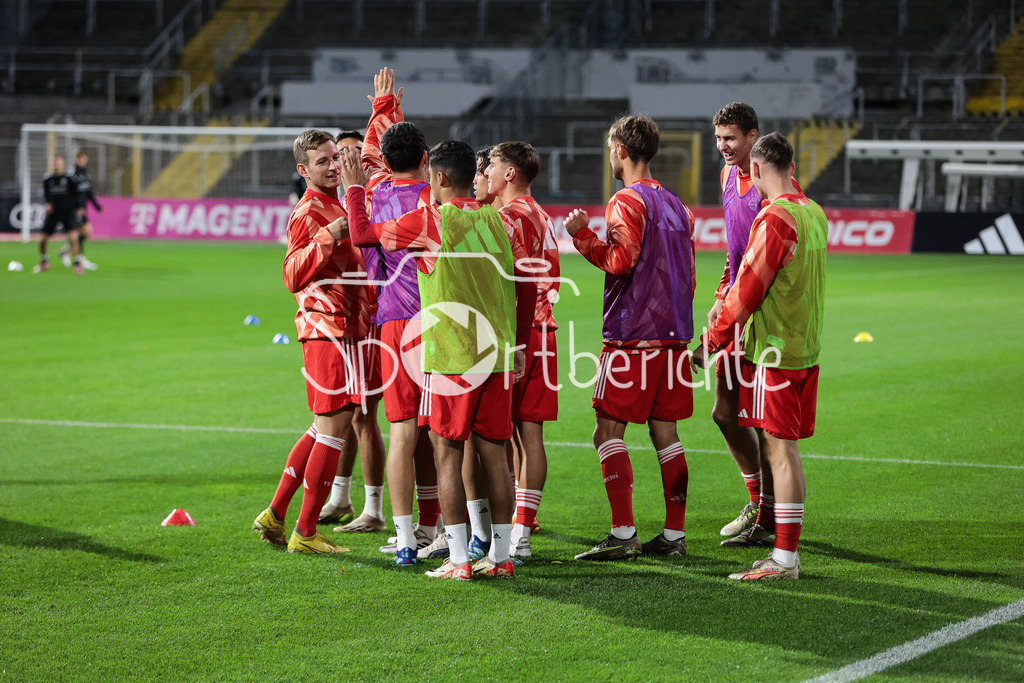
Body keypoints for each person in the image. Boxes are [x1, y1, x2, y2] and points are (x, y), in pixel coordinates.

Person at [343, 140, 537, 580]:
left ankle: (459, 560)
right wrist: (521, 344)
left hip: (451, 357)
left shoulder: (431, 220)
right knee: (495, 455)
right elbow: (527, 285)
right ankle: (501, 558)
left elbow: (363, 235)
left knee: (447, 452)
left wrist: (354, 188)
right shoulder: (500, 220)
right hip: (497, 354)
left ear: (440, 177)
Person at [692, 132, 827, 581]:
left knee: (779, 452)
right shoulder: (814, 212)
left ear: (755, 168)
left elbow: (746, 292)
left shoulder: (774, 219)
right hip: (805, 347)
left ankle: (784, 559)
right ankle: (782, 548)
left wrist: (709, 342)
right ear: (792, 168)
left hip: (775, 351)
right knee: (783, 449)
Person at [564, 114, 695, 561]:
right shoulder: (678, 205)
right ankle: (674, 535)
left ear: (620, 150)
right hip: (674, 336)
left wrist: (581, 235)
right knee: (667, 435)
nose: (609, 156)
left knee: (607, 432)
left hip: (632, 336)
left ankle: (623, 535)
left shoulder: (626, 200)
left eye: (610, 148)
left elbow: (620, 260)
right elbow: (689, 274)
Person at [337, 67, 441, 563]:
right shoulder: (435, 200)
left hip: (391, 322)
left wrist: (382, 111)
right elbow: (385, 151)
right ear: (426, 159)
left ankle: (404, 539)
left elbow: (372, 159)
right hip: (438, 321)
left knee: (402, 431)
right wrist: (388, 110)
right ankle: (442, 528)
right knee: (442, 433)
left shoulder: (373, 193)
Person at [251, 129, 372, 555]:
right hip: (327, 329)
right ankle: (305, 531)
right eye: (323, 162)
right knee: (336, 428)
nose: (333, 166)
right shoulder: (308, 212)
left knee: (324, 426)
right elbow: (291, 274)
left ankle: (275, 512)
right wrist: (329, 236)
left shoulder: (337, 204)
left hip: (345, 328)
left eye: (335, 158)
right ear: (303, 170)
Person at [485, 141, 559, 558]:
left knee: (503, 434)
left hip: (515, 333)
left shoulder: (505, 218)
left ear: (510, 173)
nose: (487, 171)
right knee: (529, 434)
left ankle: (506, 529)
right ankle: (523, 530)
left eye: (493, 165)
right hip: (545, 331)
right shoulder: (543, 215)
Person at [708, 102, 772, 547]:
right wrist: (720, 297)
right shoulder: (726, 175)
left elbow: (769, 253)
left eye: (730, 138)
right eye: (718, 138)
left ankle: (769, 514)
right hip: (734, 304)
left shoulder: (771, 185)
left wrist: (742, 302)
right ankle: (757, 500)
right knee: (725, 413)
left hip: (762, 313)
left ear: (752, 136)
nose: (723, 146)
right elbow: (735, 250)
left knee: (765, 422)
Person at [35, 155, 81, 274]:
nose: (56, 165)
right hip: (53, 213)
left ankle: (77, 263)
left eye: (58, 162)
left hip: (67, 212)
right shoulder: (48, 179)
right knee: (42, 239)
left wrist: (79, 207)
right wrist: (47, 204)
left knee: (73, 238)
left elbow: (77, 193)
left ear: (63, 163)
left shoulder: (70, 178)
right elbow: (46, 195)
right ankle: (44, 261)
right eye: (54, 163)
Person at [60, 150, 101, 271]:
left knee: (84, 233)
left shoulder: (85, 174)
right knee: (79, 233)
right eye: (79, 159)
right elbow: (69, 193)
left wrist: (96, 205)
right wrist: (76, 207)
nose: (81, 161)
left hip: (82, 209)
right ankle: (80, 259)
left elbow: (88, 192)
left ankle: (65, 251)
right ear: (76, 159)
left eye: (83, 159)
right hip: (74, 209)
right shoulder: (71, 175)